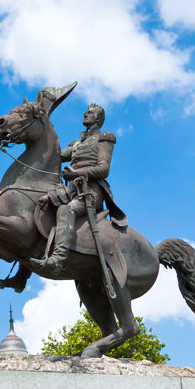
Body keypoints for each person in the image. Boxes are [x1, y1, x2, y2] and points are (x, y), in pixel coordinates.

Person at [30, 103, 127, 273]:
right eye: (85, 112)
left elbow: (104, 169)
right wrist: (35, 135)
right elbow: (54, 156)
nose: (85, 114)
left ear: (98, 118)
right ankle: (23, 272)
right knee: (39, 207)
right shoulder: (77, 144)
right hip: (71, 191)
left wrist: (75, 173)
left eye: (89, 113)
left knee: (66, 211)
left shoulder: (104, 138)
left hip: (90, 193)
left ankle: (58, 259)